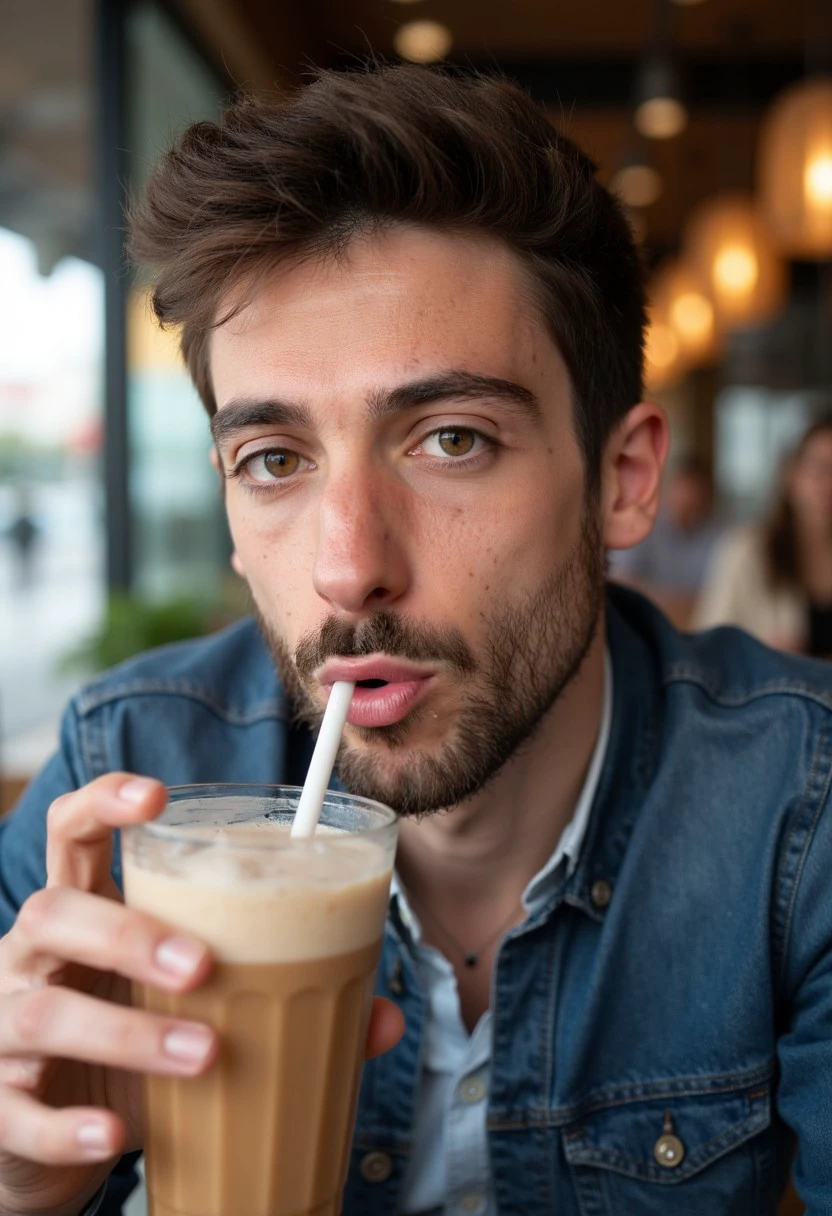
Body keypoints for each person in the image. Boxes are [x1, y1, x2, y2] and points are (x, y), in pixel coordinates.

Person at [0, 65, 829, 1216]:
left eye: (450, 439)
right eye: (275, 461)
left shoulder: (802, 804)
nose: (347, 568)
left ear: (621, 482)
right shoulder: (122, 781)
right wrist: (28, 1187)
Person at [696, 416, 832, 656]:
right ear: (792, 476)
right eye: (820, 468)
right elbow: (706, 645)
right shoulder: (745, 549)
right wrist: (762, 657)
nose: (828, 484)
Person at [609, 454, 722, 628]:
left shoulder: (719, 534)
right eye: (682, 492)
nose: (687, 500)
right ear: (668, 489)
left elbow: (721, 597)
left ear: (706, 495)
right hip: (646, 626)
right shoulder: (642, 525)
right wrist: (676, 603)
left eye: (694, 495)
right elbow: (619, 582)